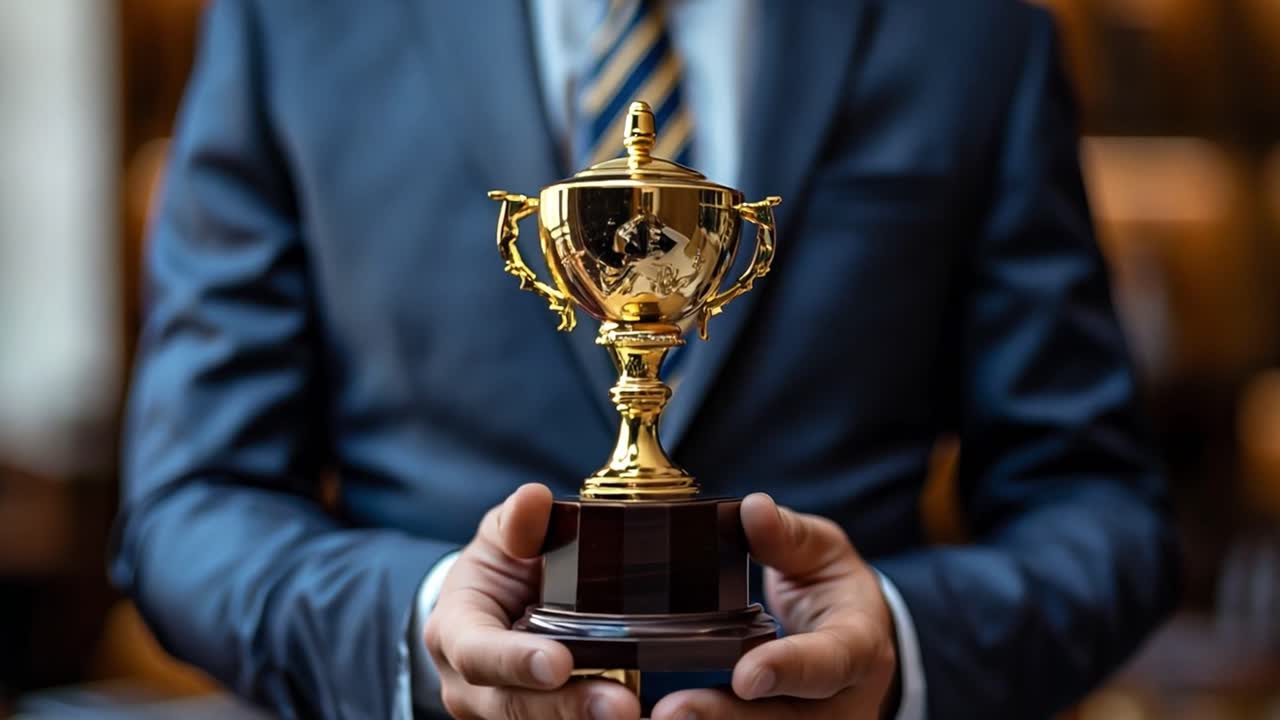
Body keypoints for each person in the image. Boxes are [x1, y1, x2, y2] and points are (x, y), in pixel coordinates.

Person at [109, 1, 1181, 718]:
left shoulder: (969, 32)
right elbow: (191, 505)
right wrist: (419, 624)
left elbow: (1100, 511)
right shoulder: (294, 24)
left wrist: (898, 646)